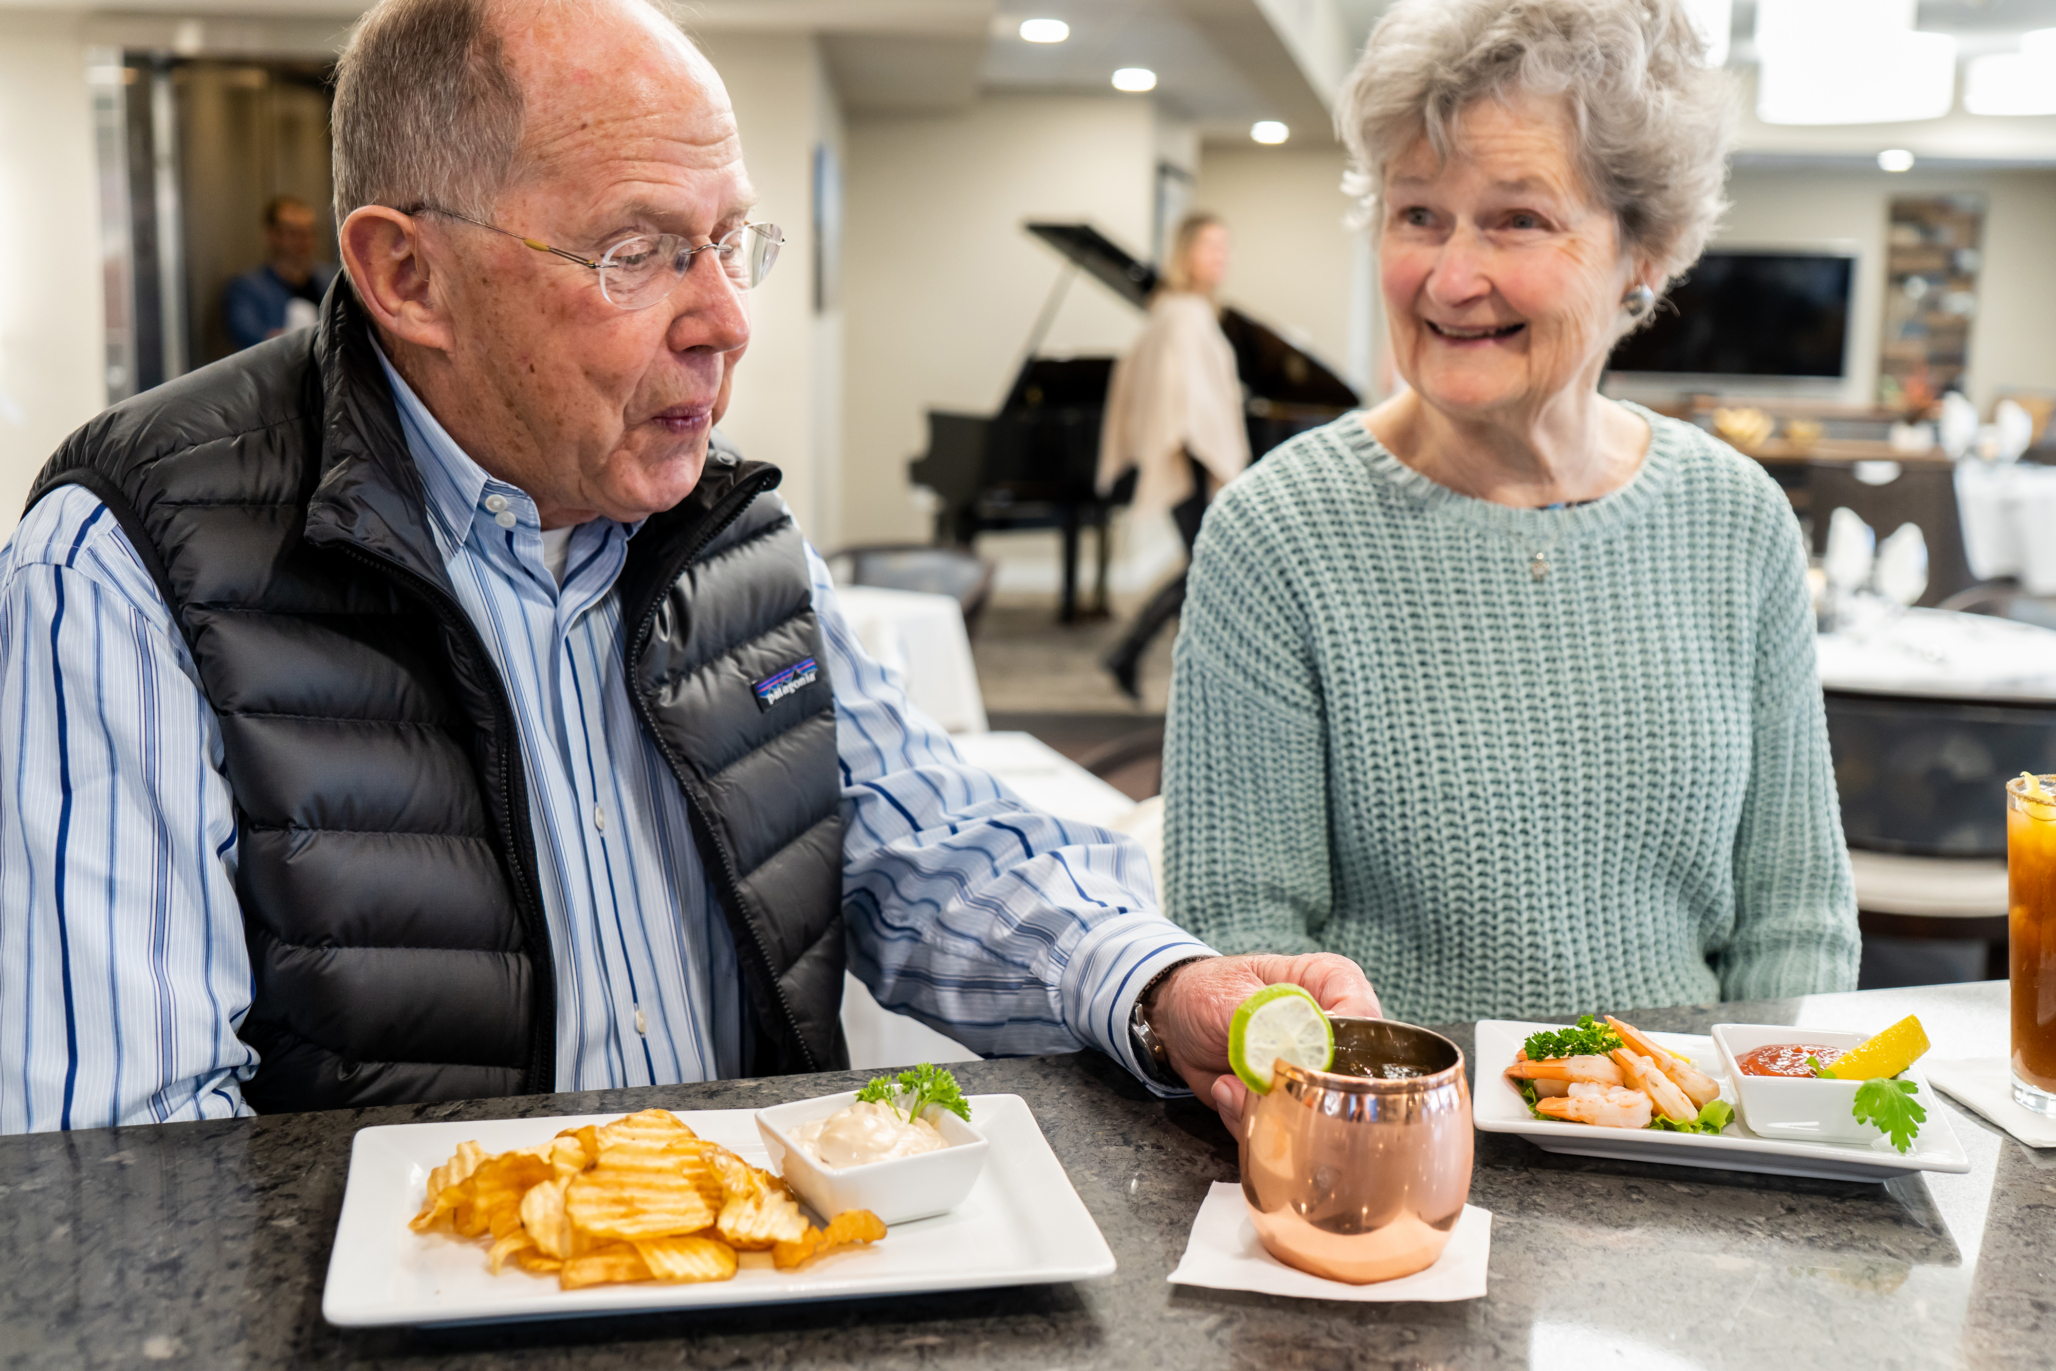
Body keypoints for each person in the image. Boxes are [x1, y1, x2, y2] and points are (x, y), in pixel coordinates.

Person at [0, 0, 1374, 1136]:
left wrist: (1156, 981)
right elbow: (123, 1163)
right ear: (406, 275)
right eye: (640, 252)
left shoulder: (726, 530)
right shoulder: (131, 565)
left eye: (730, 242)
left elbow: (924, 844)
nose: (727, 320)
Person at [1163, 0, 1860, 1025]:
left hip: (1697, 1134)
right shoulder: (1277, 534)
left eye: (1517, 219)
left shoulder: (1736, 520)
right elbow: (1245, 933)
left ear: (1645, 253)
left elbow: (1793, 918)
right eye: (1417, 216)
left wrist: (1756, 1147)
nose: (1449, 278)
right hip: (1394, 1137)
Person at [1096, 213, 1250, 700]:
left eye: (1225, 247)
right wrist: (1209, 453)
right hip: (1191, 459)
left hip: (1191, 456)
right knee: (1208, 564)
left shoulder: (1180, 309)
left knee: (1202, 563)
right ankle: (1133, 652)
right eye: (1210, 247)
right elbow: (1184, 400)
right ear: (1186, 252)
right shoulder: (1182, 314)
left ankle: (1146, 654)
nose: (1220, 257)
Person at [222, 195, 339, 349]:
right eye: (292, 233)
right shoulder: (247, 289)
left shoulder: (333, 278)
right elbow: (252, 341)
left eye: (309, 232)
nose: (303, 241)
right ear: (271, 236)